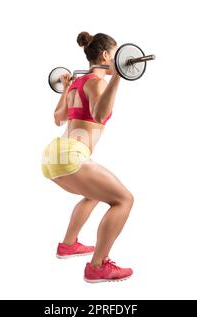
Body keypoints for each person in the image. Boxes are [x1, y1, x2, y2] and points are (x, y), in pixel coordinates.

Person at [41, 32, 134, 283]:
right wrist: (119, 79)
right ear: (106, 56)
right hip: (71, 154)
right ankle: (98, 266)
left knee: (93, 194)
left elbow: (58, 118)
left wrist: (66, 87)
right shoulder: (96, 82)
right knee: (124, 200)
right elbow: (100, 114)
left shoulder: (77, 84)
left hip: (53, 154)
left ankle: (69, 245)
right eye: (116, 57)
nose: (118, 62)